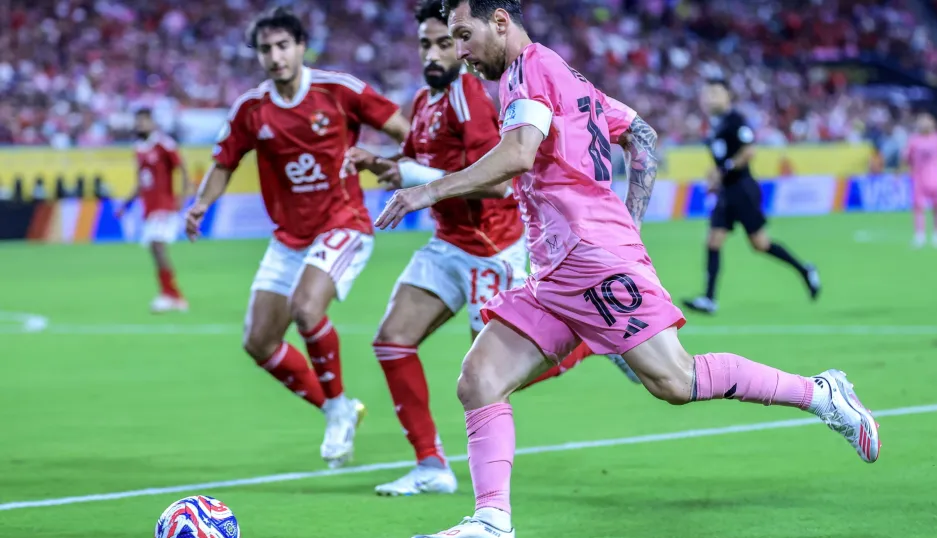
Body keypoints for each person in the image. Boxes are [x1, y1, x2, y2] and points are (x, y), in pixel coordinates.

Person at [375, 2, 881, 538]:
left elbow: (519, 155)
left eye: (465, 36)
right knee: (479, 379)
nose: (462, 51)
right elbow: (641, 132)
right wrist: (631, 221)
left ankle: (822, 393)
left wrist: (427, 190)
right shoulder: (561, 73)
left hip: (590, 259)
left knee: (675, 382)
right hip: (555, 269)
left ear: (500, 21)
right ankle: (493, 523)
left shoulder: (530, 71)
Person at [343, 0, 635, 498]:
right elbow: (418, 161)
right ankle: (431, 465)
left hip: (489, 247)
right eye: (426, 44)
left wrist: (416, 180)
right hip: (446, 242)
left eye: (447, 41)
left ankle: (586, 343)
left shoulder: (477, 99)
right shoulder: (423, 102)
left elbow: (501, 182)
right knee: (391, 341)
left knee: (487, 377)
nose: (437, 53)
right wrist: (383, 162)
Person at [184, 7, 410, 468]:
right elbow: (224, 162)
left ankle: (338, 410)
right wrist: (203, 204)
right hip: (288, 238)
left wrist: (390, 162)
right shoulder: (252, 109)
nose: (275, 56)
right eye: (266, 49)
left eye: (283, 45)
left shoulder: (339, 90)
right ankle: (337, 407)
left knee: (307, 308)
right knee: (258, 341)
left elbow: (404, 130)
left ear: (301, 46)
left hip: (343, 223)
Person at [682, 79, 821, 315]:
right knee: (713, 241)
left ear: (728, 96)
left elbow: (749, 151)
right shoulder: (715, 125)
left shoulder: (736, 120)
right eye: (707, 93)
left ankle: (805, 270)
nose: (709, 97)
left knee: (760, 244)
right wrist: (714, 177)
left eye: (715, 92)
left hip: (743, 189)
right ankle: (709, 299)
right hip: (727, 190)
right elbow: (721, 160)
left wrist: (724, 169)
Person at [117, 108, 192, 313]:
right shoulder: (139, 148)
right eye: (138, 121)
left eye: (144, 121)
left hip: (164, 205)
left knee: (157, 246)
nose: (140, 125)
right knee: (154, 249)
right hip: (149, 208)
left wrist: (183, 197)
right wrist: (125, 205)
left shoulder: (164, 144)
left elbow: (183, 169)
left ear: (152, 122)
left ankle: (172, 295)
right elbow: (141, 182)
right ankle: (169, 293)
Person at [902, 112, 937, 249]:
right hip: (921, 179)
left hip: (933, 178)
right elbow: (907, 158)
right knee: (921, 208)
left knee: (936, 208)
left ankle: (936, 236)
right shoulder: (914, 140)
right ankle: (922, 236)